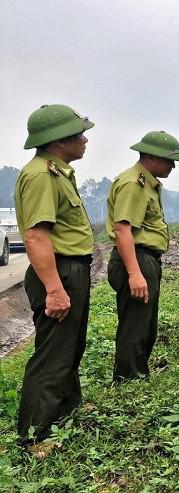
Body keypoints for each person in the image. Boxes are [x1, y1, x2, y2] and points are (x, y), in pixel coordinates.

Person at [13, 104, 94, 454]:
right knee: (53, 354)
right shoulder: (42, 176)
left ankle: (66, 410)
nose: (85, 140)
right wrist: (55, 289)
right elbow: (36, 236)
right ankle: (35, 434)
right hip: (58, 271)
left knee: (70, 346)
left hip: (69, 269)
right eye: (80, 134)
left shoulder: (57, 173)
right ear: (60, 140)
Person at [105, 131, 179, 381]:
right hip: (136, 258)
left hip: (144, 258)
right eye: (169, 160)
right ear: (151, 157)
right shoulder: (134, 184)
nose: (172, 166)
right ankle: (128, 378)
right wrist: (135, 273)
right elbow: (123, 229)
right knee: (135, 324)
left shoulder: (147, 184)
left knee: (145, 323)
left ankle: (138, 373)